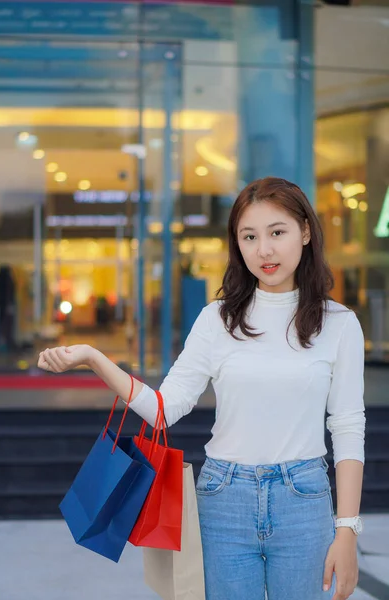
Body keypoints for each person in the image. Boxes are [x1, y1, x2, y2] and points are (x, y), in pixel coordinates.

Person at [38, 177, 365, 600]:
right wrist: (94, 357)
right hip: (223, 500)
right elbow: (162, 409)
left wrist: (347, 529)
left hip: (303, 501)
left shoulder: (338, 324)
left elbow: (347, 426)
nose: (263, 249)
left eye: (277, 232)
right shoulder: (218, 320)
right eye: (249, 237)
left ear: (305, 231)